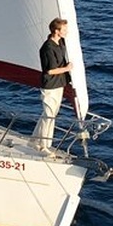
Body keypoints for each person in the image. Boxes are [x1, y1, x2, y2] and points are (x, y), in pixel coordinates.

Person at [32, 17, 73, 153]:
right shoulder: (48, 48)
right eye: (64, 29)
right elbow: (50, 70)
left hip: (59, 84)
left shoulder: (60, 42)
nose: (66, 32)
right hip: (50, 86)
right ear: (56, 31)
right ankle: (44, 146)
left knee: (50, 114)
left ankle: (34, 140)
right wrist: (67, 68)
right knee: (49, 115)